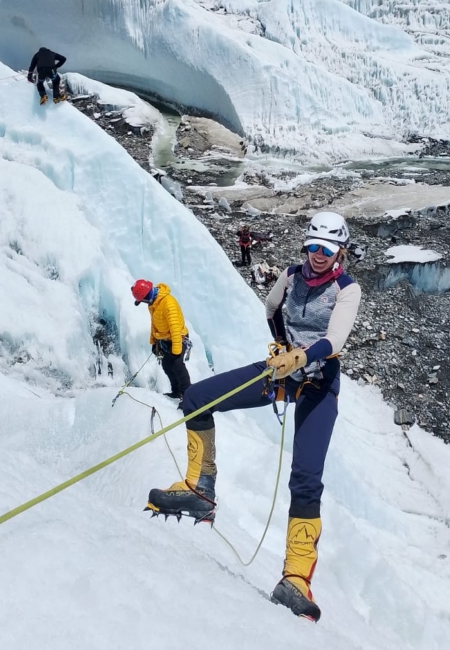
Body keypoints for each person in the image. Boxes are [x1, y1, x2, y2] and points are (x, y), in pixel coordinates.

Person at [146, 212, 361, 623]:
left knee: (306, 476)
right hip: (282, 372)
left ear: (340, 253)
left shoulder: (346, 290)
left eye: (327, 250)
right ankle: (199, 490)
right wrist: (282, 345)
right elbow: (271, 307)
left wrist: (302, 354)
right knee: (197, 398)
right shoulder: (291, 275)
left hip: (317, 382)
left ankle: (296, 578)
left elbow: (335, 338)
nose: (318, 256)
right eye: (313, 247)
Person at [132, 279, 191, 399]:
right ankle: (176, 392)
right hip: (164, 340)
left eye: (142, 300)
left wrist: (176, 350)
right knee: (166, 365)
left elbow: (175, 328)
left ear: (145, 296)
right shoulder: (154, 303)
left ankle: (187, 395)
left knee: (177, 364)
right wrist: (154, 342)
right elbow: (154, 324)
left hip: (178, 338)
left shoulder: (168, 303)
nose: (143, 303)